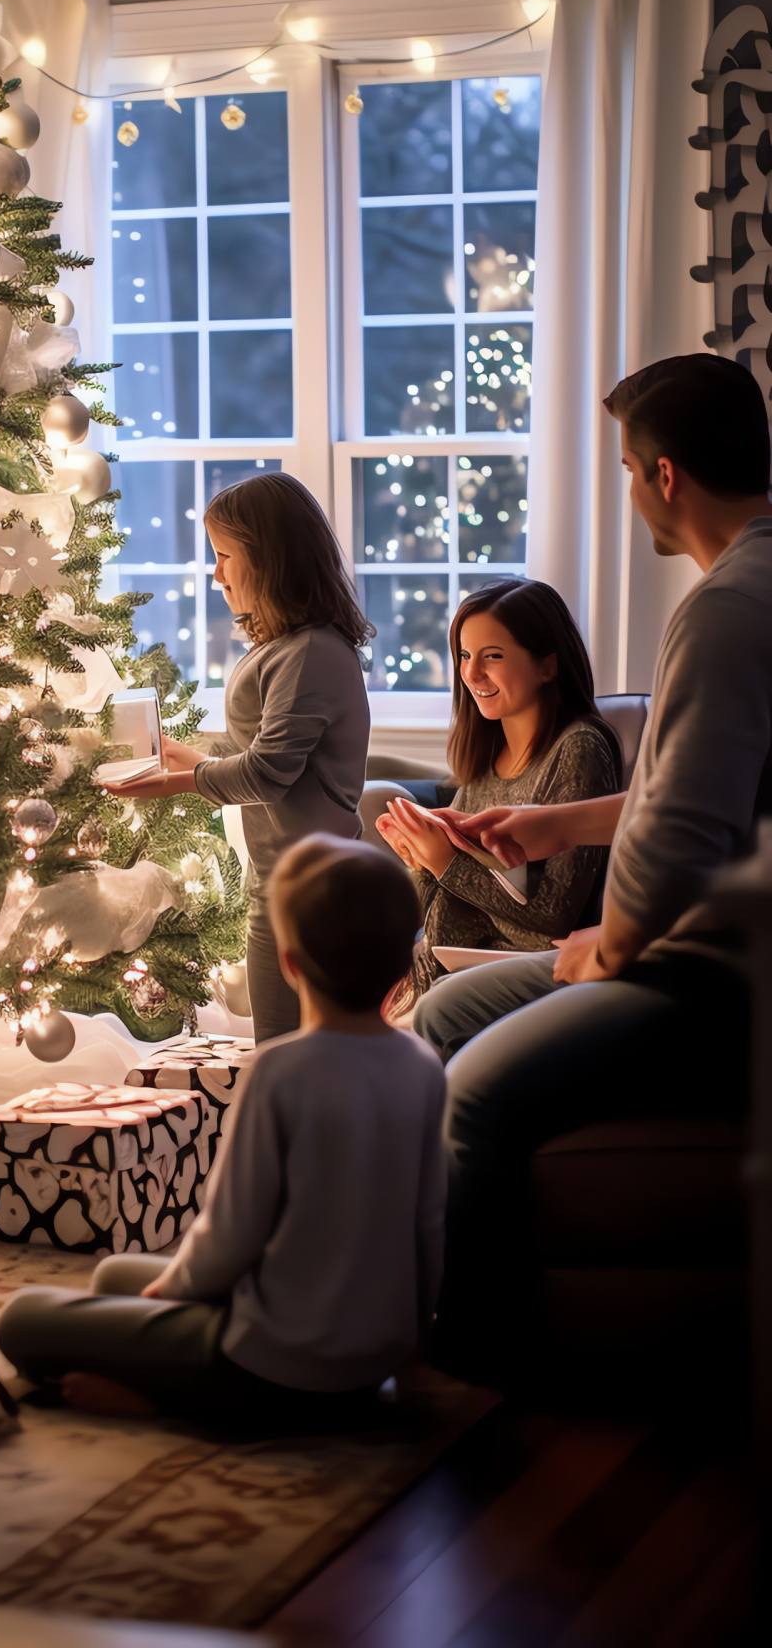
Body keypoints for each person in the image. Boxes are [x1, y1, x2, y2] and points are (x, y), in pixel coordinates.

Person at [411, 353, 772, 1380]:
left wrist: (606, 947)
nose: (627, 490)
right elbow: (700, 789)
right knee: (437, 1014)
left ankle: (473, 1359)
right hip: (693, 952)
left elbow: (687, 834)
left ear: (662, 477)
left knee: (468, 1093)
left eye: (624, 465)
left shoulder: (723, 609)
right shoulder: (745, 589)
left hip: (709, 975)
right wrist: (559, 827)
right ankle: (409, 1284)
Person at [0, 835, 446, 1431]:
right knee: (114, 1276)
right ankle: (221, 1379)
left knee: (22, 1319)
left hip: (268, 1362)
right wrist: (411, 1339)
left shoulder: (280, 1073)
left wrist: (171, 1299)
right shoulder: (422, 1065)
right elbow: (428, 1221)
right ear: (400, 964)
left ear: (289, 964)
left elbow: (231, 1236)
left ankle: (175, 1403)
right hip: (374, 1357)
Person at [125, 471, 372, 1042]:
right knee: (281, 1047)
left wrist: (179, 782)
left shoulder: (311, 652)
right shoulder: (285, 648)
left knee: (297, 1052)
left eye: (224, 556)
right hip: (279, 886)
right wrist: (177, 756)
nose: (216, 574)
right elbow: (254, 752)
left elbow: (269, 773)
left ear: (270, 559)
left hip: (312, 896)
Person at [375, 580, 621, 1011]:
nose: (470, 674)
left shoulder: (578, 750)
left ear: (548, 666)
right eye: (465, 656)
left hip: (531, 966)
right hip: (452, 961)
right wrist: (417, 855)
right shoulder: (487, 757)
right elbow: (441, 906)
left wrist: (444, 862)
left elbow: (551, 925)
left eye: (493, 656)